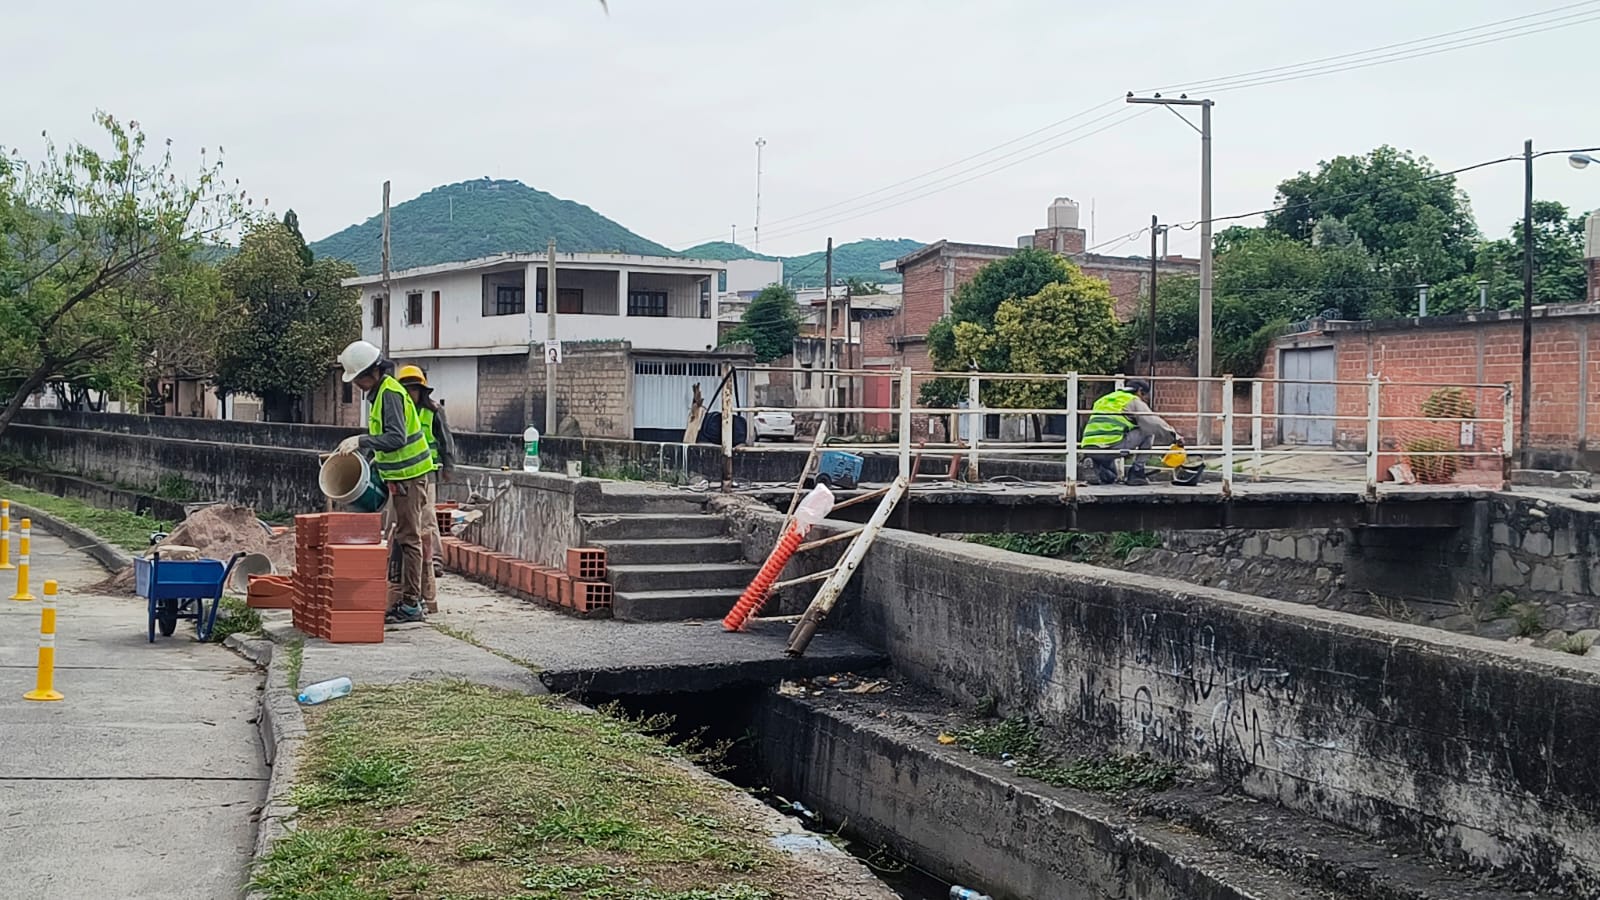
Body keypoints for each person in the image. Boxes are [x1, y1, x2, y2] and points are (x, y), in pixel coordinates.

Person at [335, 340, 433, 624]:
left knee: (409, 538)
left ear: (372, 372)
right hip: (399, 477)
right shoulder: (381, 394)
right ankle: (407, 597)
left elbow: (396, 437)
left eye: (359, 379)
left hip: (409, 478)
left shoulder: (389, 393)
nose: (359, 385)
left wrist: (361, 440)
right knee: (403, 537)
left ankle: (412, 603)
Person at [396, 364, 456, 611]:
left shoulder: (433, 411)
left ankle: (436, 562)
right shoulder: (398, 410)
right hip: (403, 473)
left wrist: (448, 466)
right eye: (407, 389)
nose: (411, 394)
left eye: (414, 389)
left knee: (428, 518)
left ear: (422, 390)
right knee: (403, 522)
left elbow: (445, 439)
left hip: (427, 471)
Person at [1078, 380, 1181, 486]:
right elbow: (1153, 422)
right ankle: (1137, 472)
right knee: (1147, 430)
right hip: (1111, 446)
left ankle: (1094, 464)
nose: (1144, 400)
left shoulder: (1104, 399)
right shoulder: (1132, 400)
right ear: (1140, 391)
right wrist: (1174, 436)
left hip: (1089, 447)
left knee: (1111, 477)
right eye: (1144, 397)